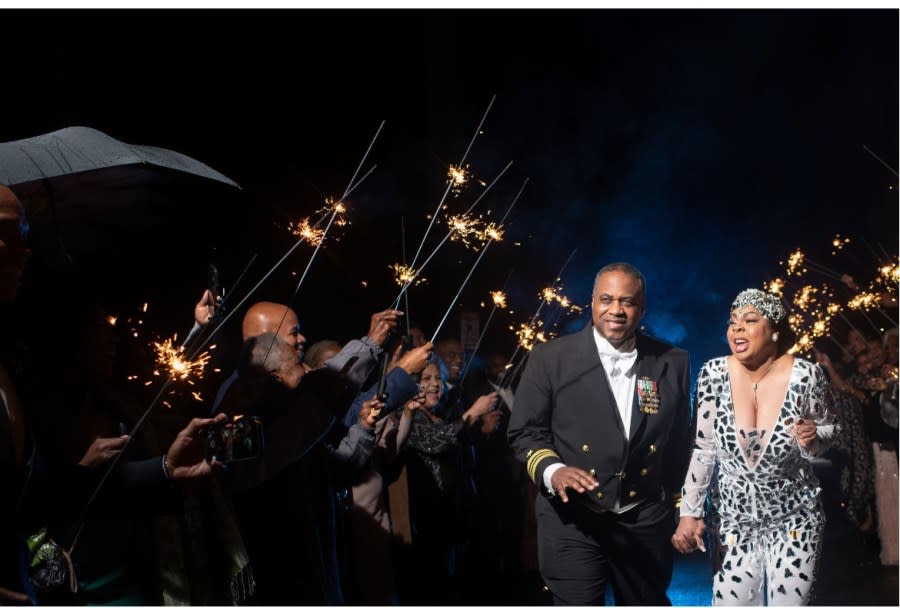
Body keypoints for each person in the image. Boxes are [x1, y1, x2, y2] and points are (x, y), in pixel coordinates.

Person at [508, 262, 693, 605]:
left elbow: (680, 445)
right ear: (591, 302)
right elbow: (525, 432)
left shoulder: (673, 361)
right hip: (573, 520)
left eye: (628, 301)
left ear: (642, 308)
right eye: (607, 299)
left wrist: (686, 509)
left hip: (644, 520)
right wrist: (553, 470)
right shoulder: (551, 357)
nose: (616, 310)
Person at [673, 288, 836, 605]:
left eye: (749, 321)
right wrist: (689, 513)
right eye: (733, 322)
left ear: (775, 330)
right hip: (733, 524)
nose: (737, 329)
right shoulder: (713, 375)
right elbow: (703, 448)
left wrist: (814, 438)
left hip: (795, 521)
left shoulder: (806, 375)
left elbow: (831, 428)